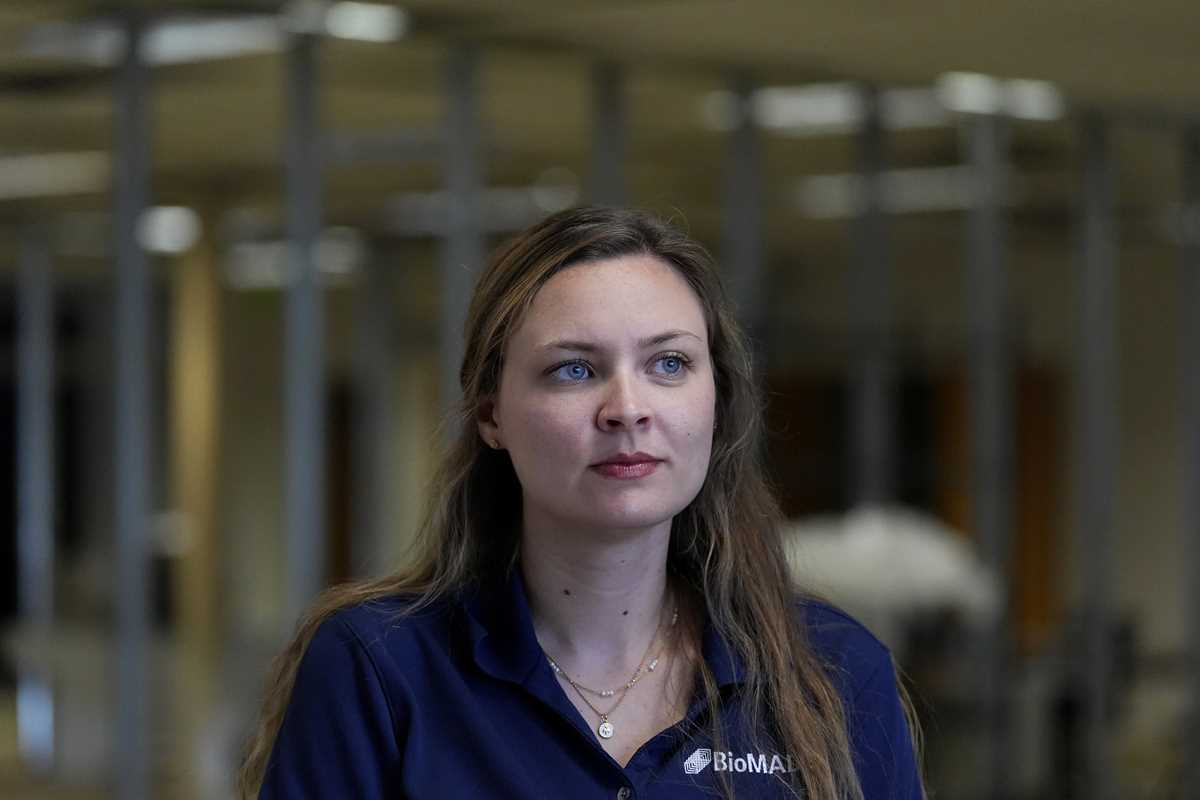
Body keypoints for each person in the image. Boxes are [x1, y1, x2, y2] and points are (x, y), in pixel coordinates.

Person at [238, 206, 923, 799]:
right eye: (574, 369)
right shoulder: (379, 669)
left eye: (669, 364)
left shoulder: (834, 673)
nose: (627, 408)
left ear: (716, 401)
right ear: (492, 415)